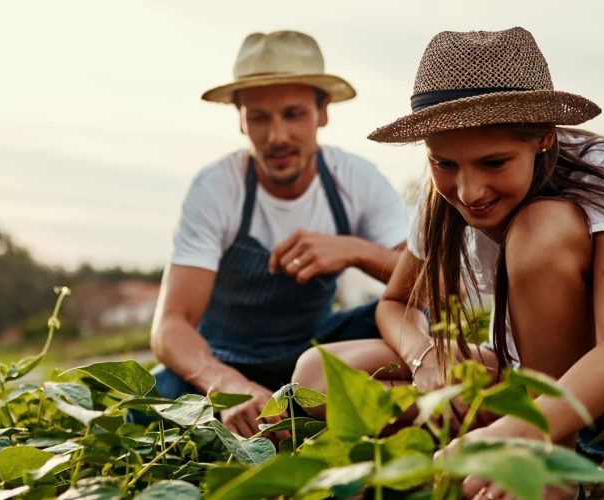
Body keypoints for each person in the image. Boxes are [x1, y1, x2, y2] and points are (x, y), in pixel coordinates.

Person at [291, 27, 604, 499]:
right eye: (444, 164)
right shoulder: (441, 198)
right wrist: (425, 360)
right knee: (315, 374)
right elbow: (396, 304)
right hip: (521, 373)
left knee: (539, 227)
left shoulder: (599, 166)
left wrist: (515, 434)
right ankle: (467, 456)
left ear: (543, 137)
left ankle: (552, 470)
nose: (468, 191)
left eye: (494, 163)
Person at [140, 30, 410, 438]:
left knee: (405, 310)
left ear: (324, 111)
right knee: (152, 404)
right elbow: (171, 325)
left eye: (293, 113)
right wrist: (231, 388)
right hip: (226, 359)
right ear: (241, 119)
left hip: (315, 351)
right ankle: (312, 412)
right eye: (259, 117)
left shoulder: (356, 180)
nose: (277, 136)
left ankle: (404, 399)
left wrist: (354, 250)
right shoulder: (216, 188)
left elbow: (430, 282)